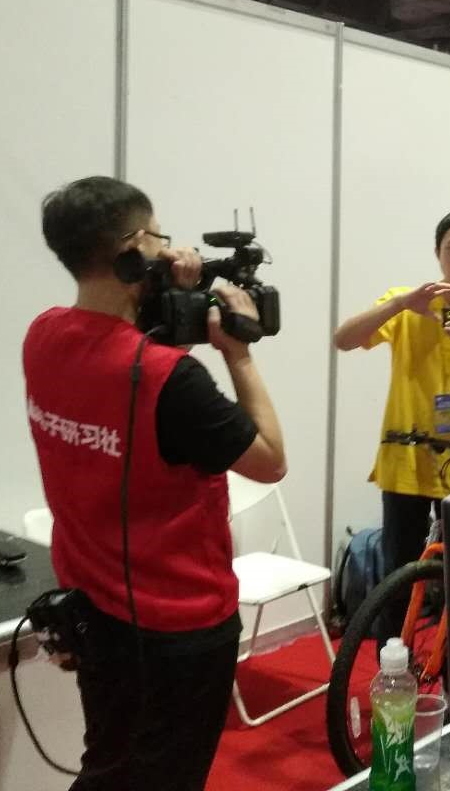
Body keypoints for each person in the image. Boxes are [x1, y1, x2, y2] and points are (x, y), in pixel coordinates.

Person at [24, 176, 286, 791]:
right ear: (135, 248)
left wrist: (167, 294)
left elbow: (122, 362)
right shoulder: (169, 379)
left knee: (111, 763)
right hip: (177, 626)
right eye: (158, 238)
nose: (168, 248)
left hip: (92, 611)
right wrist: (239, 353)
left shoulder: (43, 335)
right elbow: (270, 460)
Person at [333, 210, 450, 581]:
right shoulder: (407, 304)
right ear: (438, 253)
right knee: (399, 576)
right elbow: (343, 340)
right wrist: (399, 304)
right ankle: (398, 624)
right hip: (406, 462)